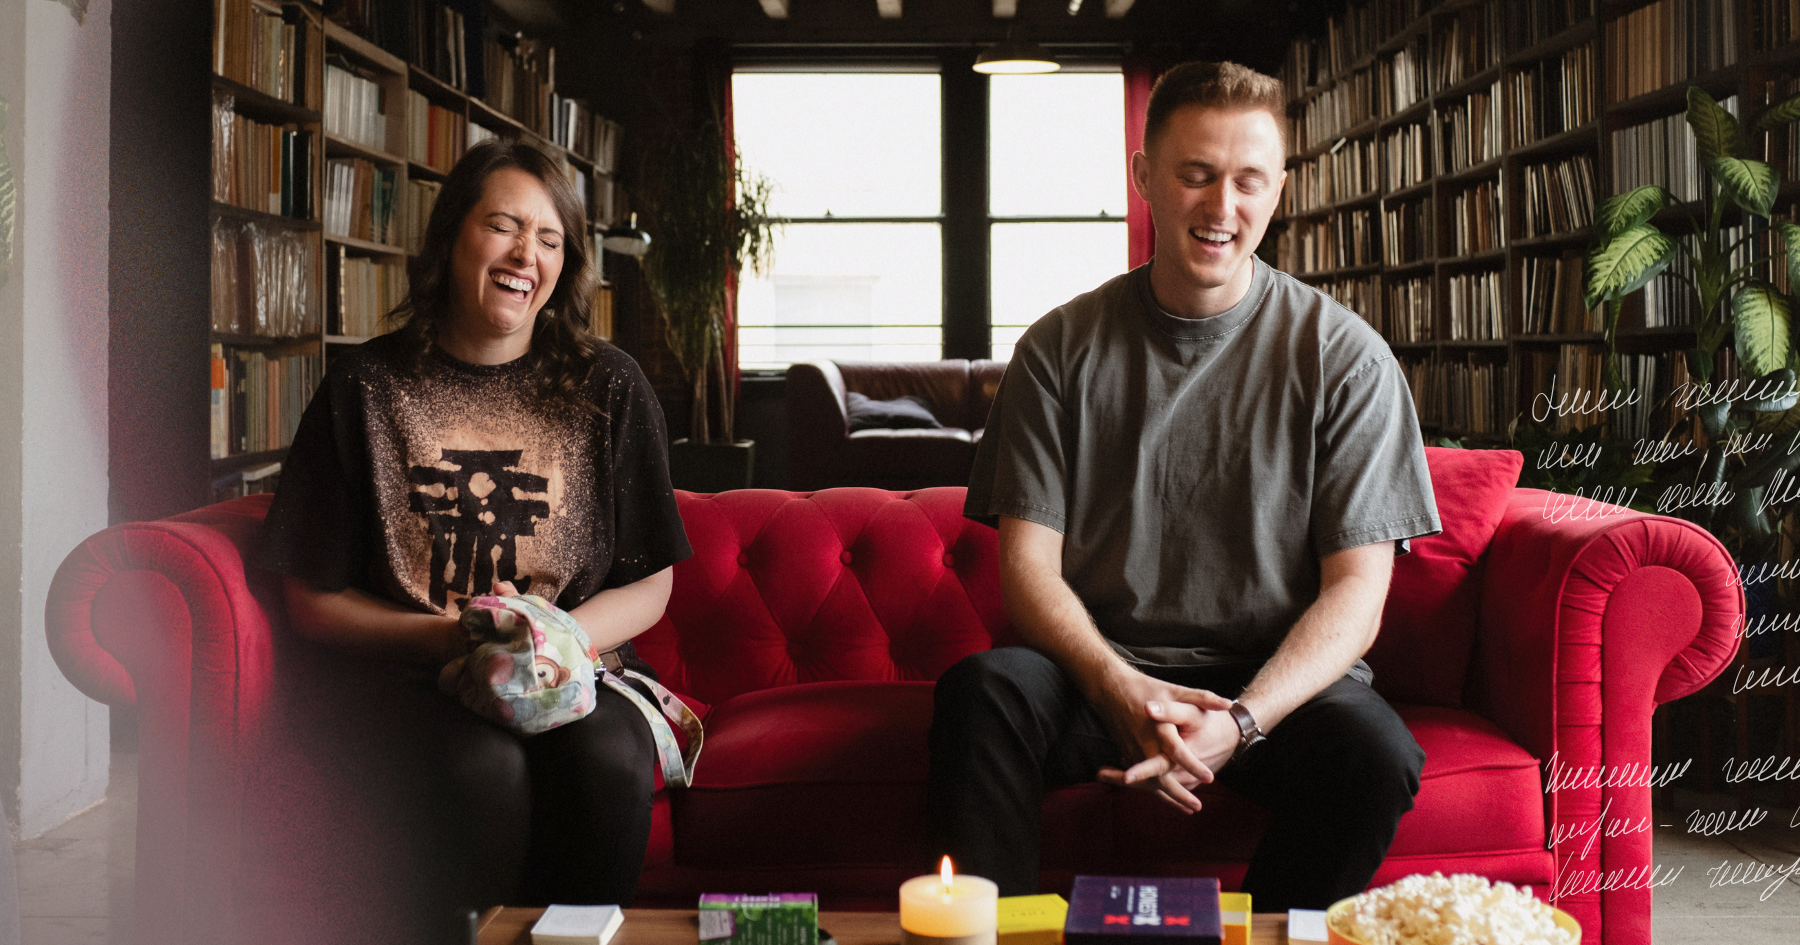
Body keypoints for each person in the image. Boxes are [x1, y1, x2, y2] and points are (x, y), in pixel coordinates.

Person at [926, 61, 1443, 911]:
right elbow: (1028, 571)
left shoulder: (1347, 358)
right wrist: (1118, 686)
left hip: (1270, 685)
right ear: (1144, 178)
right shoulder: (1060, 349)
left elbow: (1359, 595)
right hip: (1098, 672)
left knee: (1376, 754)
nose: (1221, 207)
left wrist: (1239, 722)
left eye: (1247, 181)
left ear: (1281, 188)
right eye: (1196, 174)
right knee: (981, 696)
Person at [256, 139, 692, 936]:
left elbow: (651, 582)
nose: (527, 253)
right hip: (414, 681)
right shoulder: (364, 389)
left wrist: (546, 640)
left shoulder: (611, 387)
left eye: (551, 239)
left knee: (608, 764)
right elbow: (310, 600)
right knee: (478, 770)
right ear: (452, 235)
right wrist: (456, 639)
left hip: (573, 676)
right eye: (503, 225)